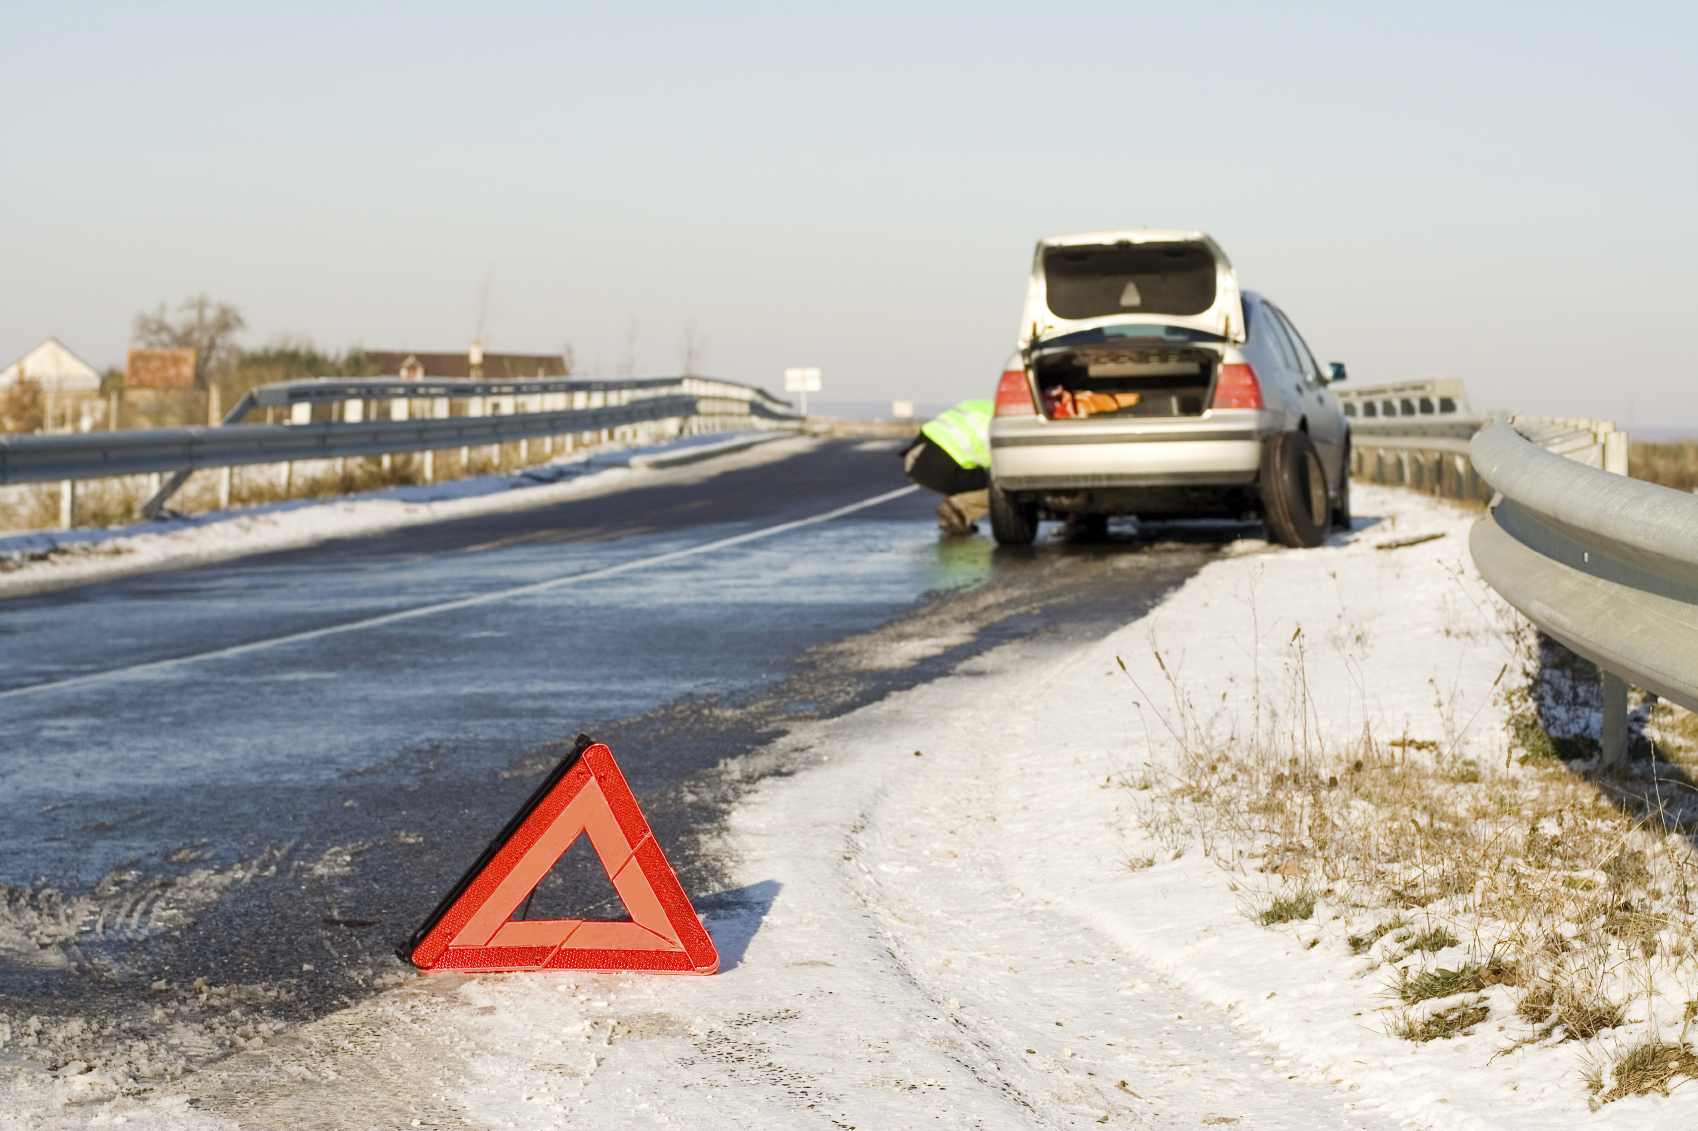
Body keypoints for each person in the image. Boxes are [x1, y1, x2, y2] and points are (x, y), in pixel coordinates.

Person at [901, 399, 992, 536]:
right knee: (1007, 487)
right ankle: (958, 508)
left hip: (915, 456)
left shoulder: (987, 407)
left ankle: (950, 518)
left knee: (968, 467)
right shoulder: (1011, 421)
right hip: (941, 466)